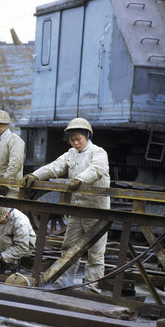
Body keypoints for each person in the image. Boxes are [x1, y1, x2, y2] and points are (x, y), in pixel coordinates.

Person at [22, 117, 110, 292]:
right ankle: (65, 282)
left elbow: (97, 169)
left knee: (95, 252)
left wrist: (79, 179)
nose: (75, 143)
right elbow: (55, 167)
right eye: (72, 139)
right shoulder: (70, 154)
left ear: (88, 136)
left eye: (79, 139)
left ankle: (93, 287)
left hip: (96, 211)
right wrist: (35, 175)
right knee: (69, 248)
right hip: (76, 210)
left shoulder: (98, 153)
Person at [0, 110, 25, 197]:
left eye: (1, 124)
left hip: (11, 188)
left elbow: (15, 164)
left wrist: (4, 184)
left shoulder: (14, 140)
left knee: (7, 210)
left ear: (7, 124)